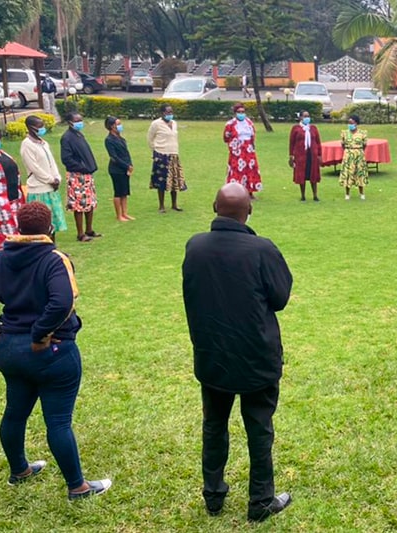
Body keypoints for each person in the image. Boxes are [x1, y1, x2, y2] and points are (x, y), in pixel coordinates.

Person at [0, 202, 111, 499]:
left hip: (9, 350)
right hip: (50, 351)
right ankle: (77, 486)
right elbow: (62, 302)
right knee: (59, 421)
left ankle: (20, 470)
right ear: (49, 227)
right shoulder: (54, 259)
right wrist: (41, 334)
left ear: (19, 226)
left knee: (15, 412)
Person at [182, 182, 294, 522]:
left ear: (214, 208)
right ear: (250, 212)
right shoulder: (262, 249)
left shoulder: (195, 247)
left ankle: (213, 495)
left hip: (212, 354)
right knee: (259, 427)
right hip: (255, 355)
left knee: (214, 425)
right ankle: (260, 501)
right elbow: (280, 298)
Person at [20, 116, 68, 242]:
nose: (42, 129)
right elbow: (34, 168)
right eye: (39, 127)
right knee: (41, 223)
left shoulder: (43, 143)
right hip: (38, 188)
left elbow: (52, 163)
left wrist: (57, 177)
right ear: (31, 128)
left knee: (52, 222)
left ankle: (53, 247)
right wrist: (50, 180)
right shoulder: (27, 145)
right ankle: (43, 249)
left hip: (51, 188)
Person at [60, 112, 101, 242]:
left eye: (81, 120)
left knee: (90, 202)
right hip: (77, 175)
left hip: (87, 174)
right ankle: (80, 233)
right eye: (77, 120)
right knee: (79, 204)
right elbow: (66, 159)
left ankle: (89, 229)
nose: (80, 122)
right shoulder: (67, 137)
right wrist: (82, 167)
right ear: (70, 122)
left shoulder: (78, 135)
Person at [147, 105, 186, 213]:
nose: (170, 114)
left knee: (175, 180)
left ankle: (174, 204)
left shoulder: (174, 123)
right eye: (167, 112)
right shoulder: (156, 124)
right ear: (162, 113)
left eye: (171, 112)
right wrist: (155, 151)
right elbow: (150, 138)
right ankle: (161, 205)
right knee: (161, 181)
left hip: (173, 154)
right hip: (161, 154)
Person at [224, 104, 262, 198]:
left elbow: (253, 135)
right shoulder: (230, 124)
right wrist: (234, 145)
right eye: (239, 112)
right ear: (235, 113)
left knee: (250, 170)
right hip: (237, 151)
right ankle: (236, 192)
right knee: (237, 170)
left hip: (249, 151)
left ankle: (250, 192)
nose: (241, 114)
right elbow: (226, 137)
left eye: (243, 112)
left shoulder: (249, 123)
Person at [104, 116, 135, 222]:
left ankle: (125, 213)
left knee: (124, 192)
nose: (120, 126)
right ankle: (119, 215)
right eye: (118, 124)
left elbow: (126, 153)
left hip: (125, 168)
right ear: (112, 126)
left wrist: (130, 165)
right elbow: (114, 157)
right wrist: (127, 166)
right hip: (116, 169)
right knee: (118, 192)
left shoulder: (120, 138)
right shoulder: (109, 140)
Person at [288, 110, 322, 202]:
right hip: (300, 155)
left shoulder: (313, 128)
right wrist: (291, 156)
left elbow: (318, 142)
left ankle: (315, 195)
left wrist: (319, 155)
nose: (307, 118)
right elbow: (292, 143)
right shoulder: (296, 129)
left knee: (313, 175)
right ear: (300, 117)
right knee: (301, 175)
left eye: (308, 116)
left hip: (312, 155)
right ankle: (303, 195)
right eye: (305, 116)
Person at [339, 115, 369, 200]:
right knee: (348, 173)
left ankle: (362, 193)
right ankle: (347, 193)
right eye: (348, 123)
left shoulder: (363, 133)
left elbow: (364, 145)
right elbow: (342, 144)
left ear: (356, 123)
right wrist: (349, 151)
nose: (350, 124)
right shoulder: (344, 133)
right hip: (348, 154)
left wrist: (358, 151)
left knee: (360, 173)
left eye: (351, 123)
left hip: (359, 154)